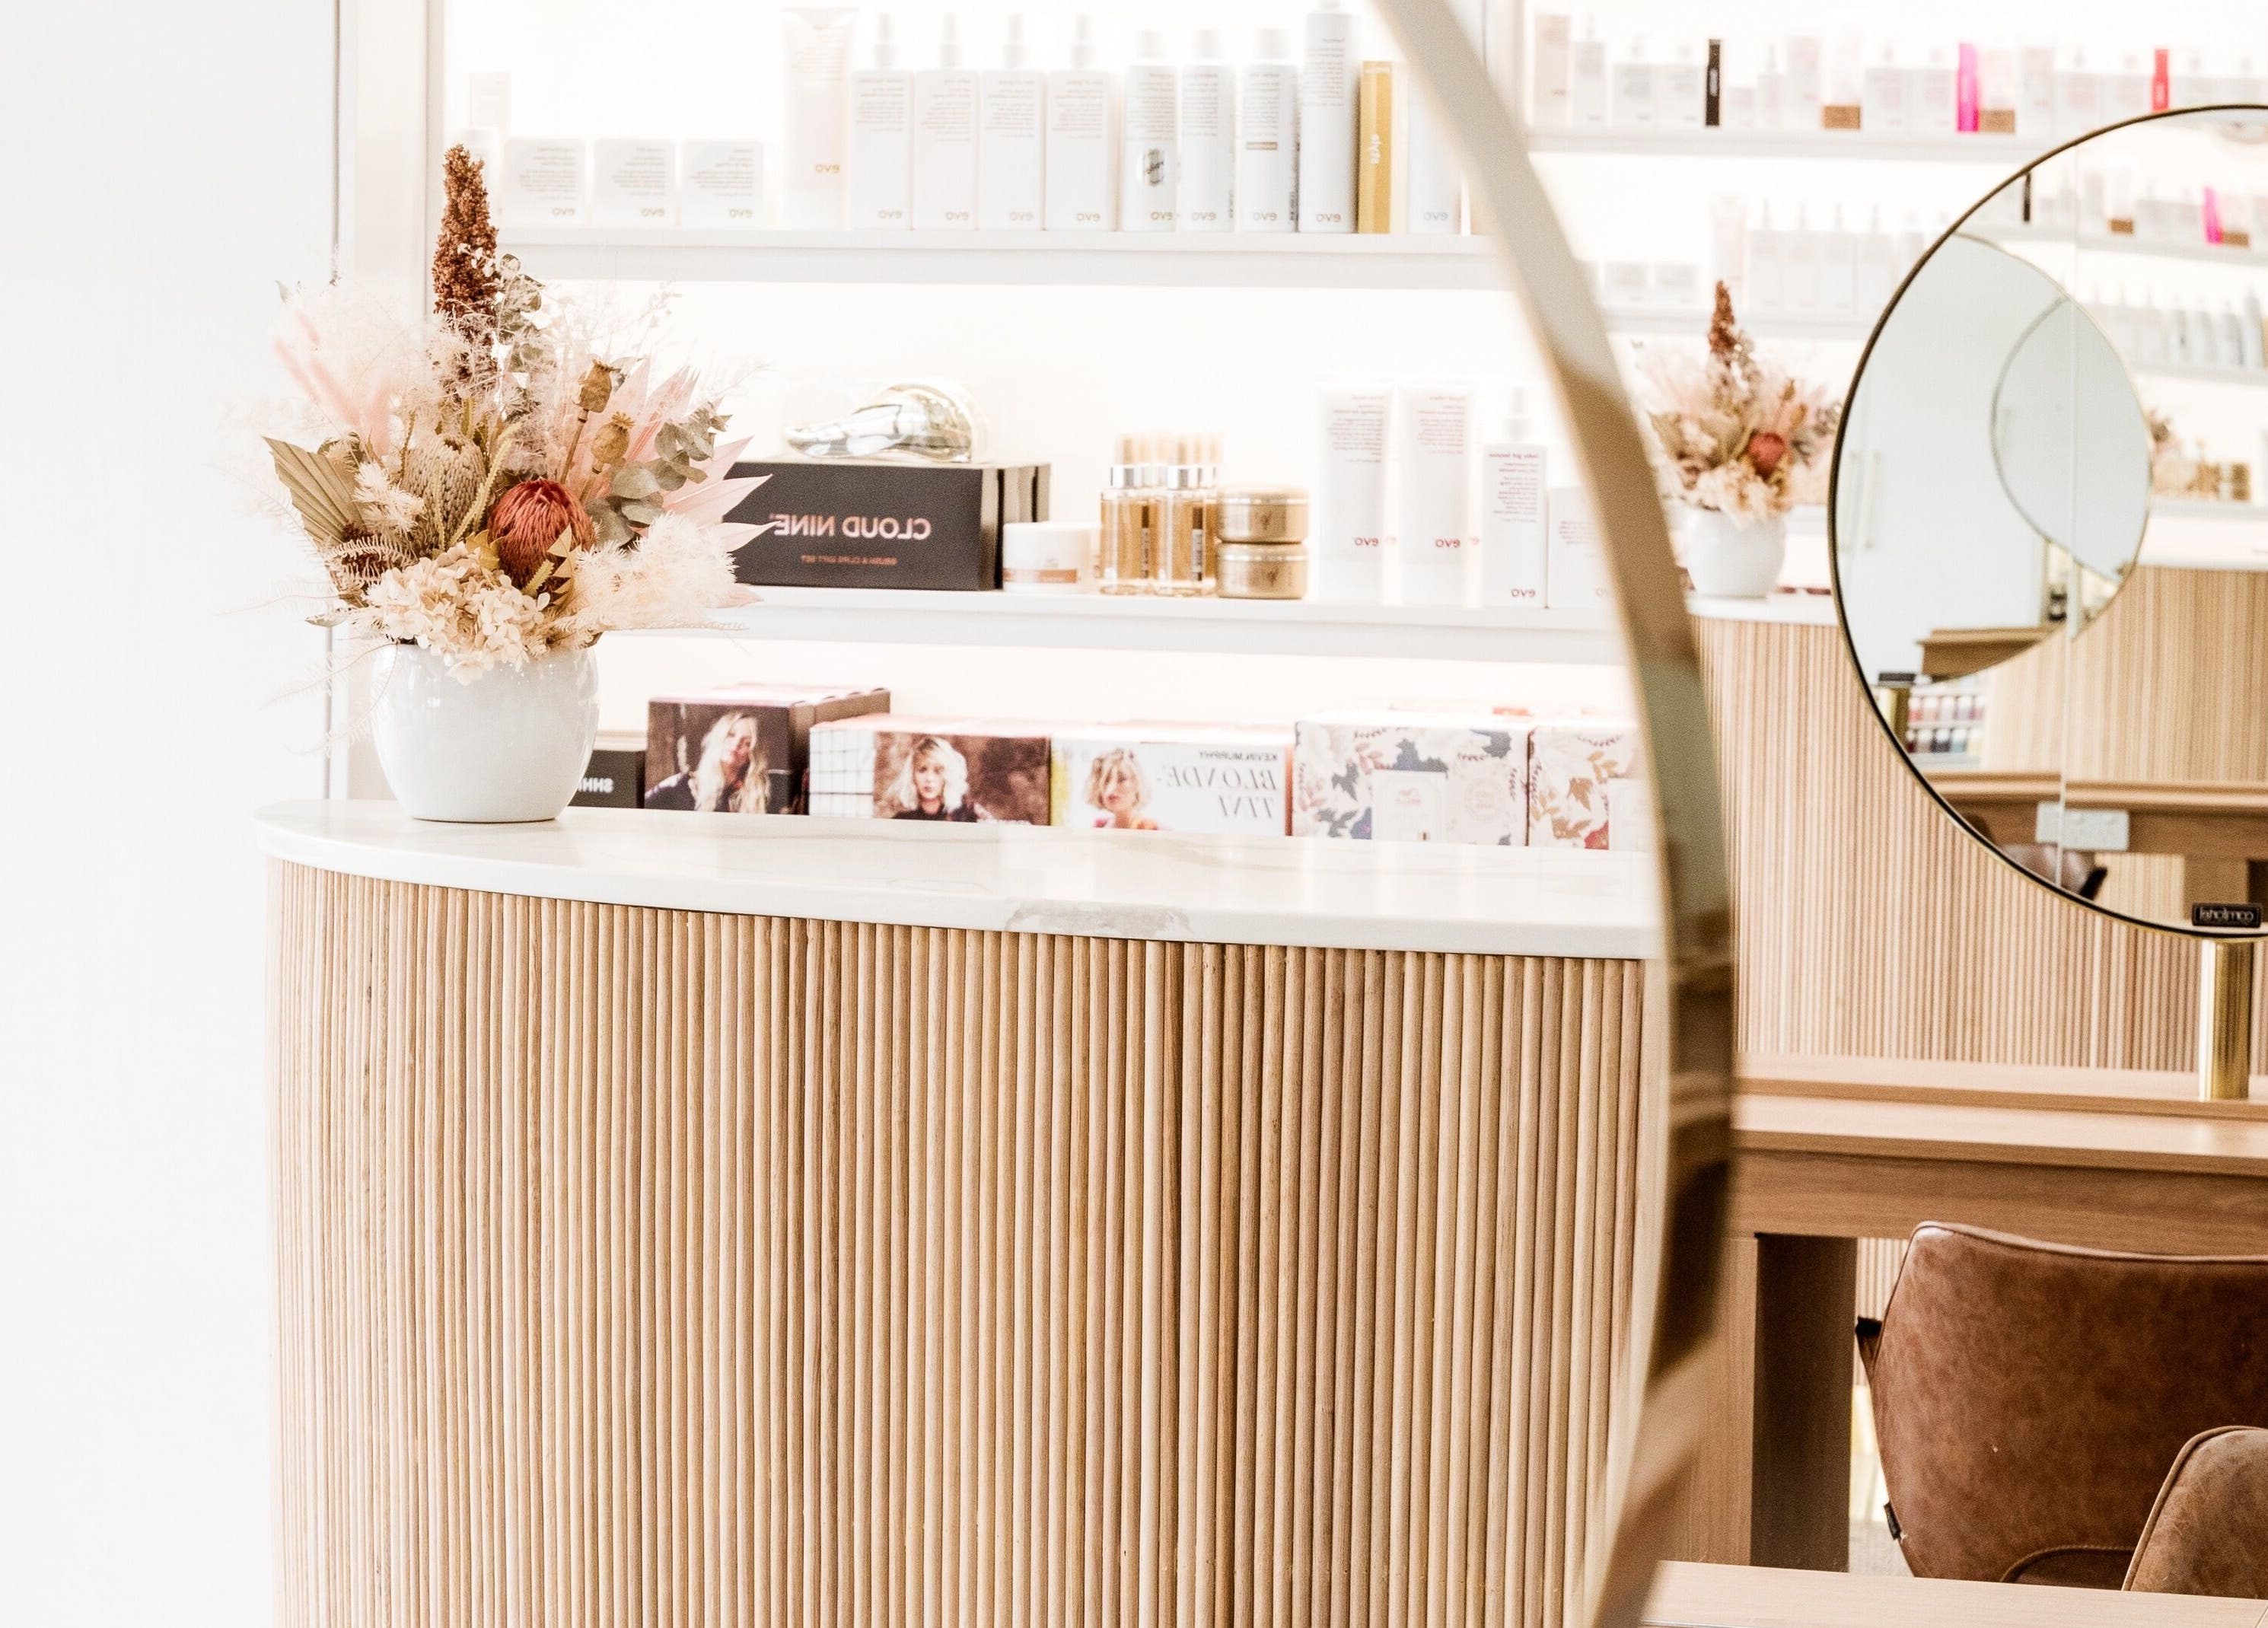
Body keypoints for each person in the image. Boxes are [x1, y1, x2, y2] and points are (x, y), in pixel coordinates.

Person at [645, 712, 767, 813]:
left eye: (747, 743)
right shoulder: (681, 786)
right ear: (718, 737)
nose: (736, 744)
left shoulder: (759, 792)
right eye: (731, 735)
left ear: (753, 754)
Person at [887, 735, 981, 821]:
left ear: (948, 776)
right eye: (922, 770)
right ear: (912, 775)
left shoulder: (967, 817)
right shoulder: (901, 821)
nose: (929, 778)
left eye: (938, 771)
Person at [1084, 747, 1159, 831]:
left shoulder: (1152, 830)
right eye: (1106, 781)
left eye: (1122, 779)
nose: (1111, 788)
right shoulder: (1099, 828)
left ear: (1137, 784)